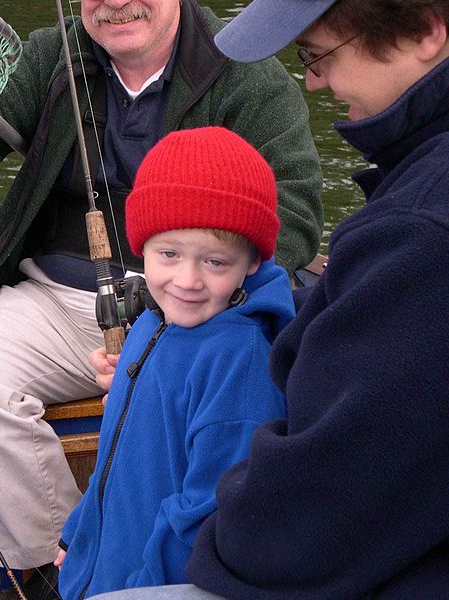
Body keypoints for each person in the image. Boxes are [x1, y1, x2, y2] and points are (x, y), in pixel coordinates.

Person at [0, 0, 323, 584]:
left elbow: (297, 207)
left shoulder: (246, 71)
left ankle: (149, 572)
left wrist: (184, 304)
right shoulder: (50, 57)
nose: (115, 3)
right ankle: (53, 565)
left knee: (166, 419)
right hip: (52, 298)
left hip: (193, 306)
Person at [91, 1, 449, 598]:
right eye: (167, 255)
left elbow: (302, 520)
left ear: (427, 31)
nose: (311, 80)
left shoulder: (420, 233)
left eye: (317, 54)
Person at [54, 126, 294, 599]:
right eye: (168, 254)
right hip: (103, 568)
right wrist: (77, 531)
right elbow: (114, 454)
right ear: (140, 247)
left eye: (215, 263)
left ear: (250, 262)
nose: (187, 280)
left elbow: (205, 515)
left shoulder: (239, 365)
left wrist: (142, 589)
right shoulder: (154, 319)